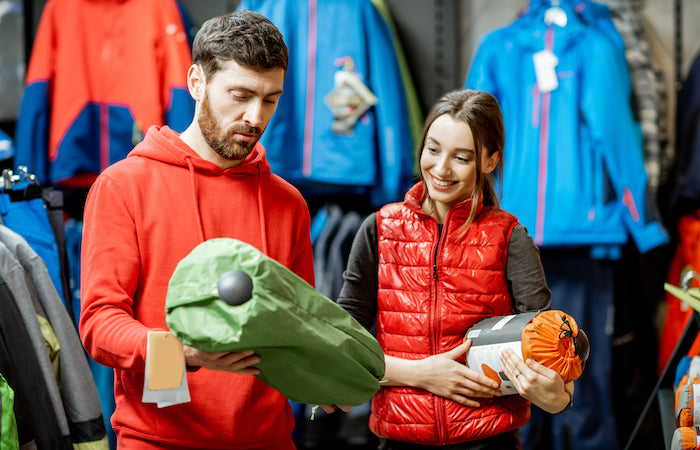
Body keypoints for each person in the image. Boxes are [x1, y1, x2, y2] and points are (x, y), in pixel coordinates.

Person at [79, 11, 314, 450]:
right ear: (196, 82)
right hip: (158, 440)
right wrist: (183, 354)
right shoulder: (124, 186)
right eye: (240, 95)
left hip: (269, 440)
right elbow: (99, 324)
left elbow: (299, 328)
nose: (254, 116)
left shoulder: (288, 204)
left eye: (270, 99)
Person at [334, 89, 575, 449]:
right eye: (433, 149)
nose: (441, 169)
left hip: (489, 440)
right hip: (399, 439)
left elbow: (546, 344)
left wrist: (558, 397)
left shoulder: (510, 237)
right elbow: (342, 343)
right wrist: (420, 374)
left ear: (490, 161)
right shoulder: (380, 228)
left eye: (461, 157)